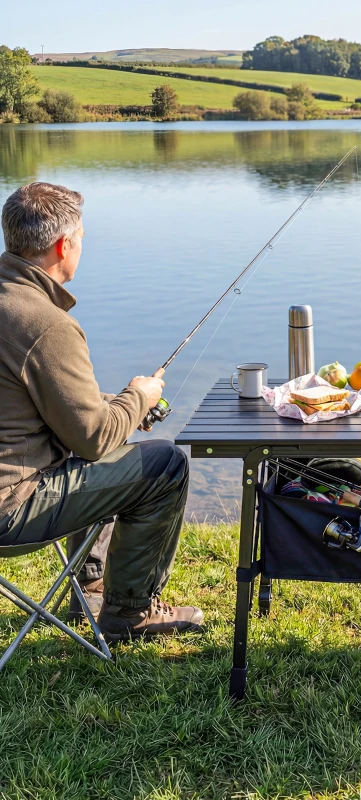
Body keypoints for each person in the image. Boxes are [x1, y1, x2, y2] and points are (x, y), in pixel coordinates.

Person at [0, 182, 203, 640]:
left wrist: (119, 406)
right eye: (81, 239)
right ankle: (129, 614)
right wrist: (138, 397)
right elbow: (92, 438)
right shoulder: (45, 324)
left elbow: (42, 409)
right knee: (164, 466)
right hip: (10, 509)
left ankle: (90, 588)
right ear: (62, 246)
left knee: (107, 440)